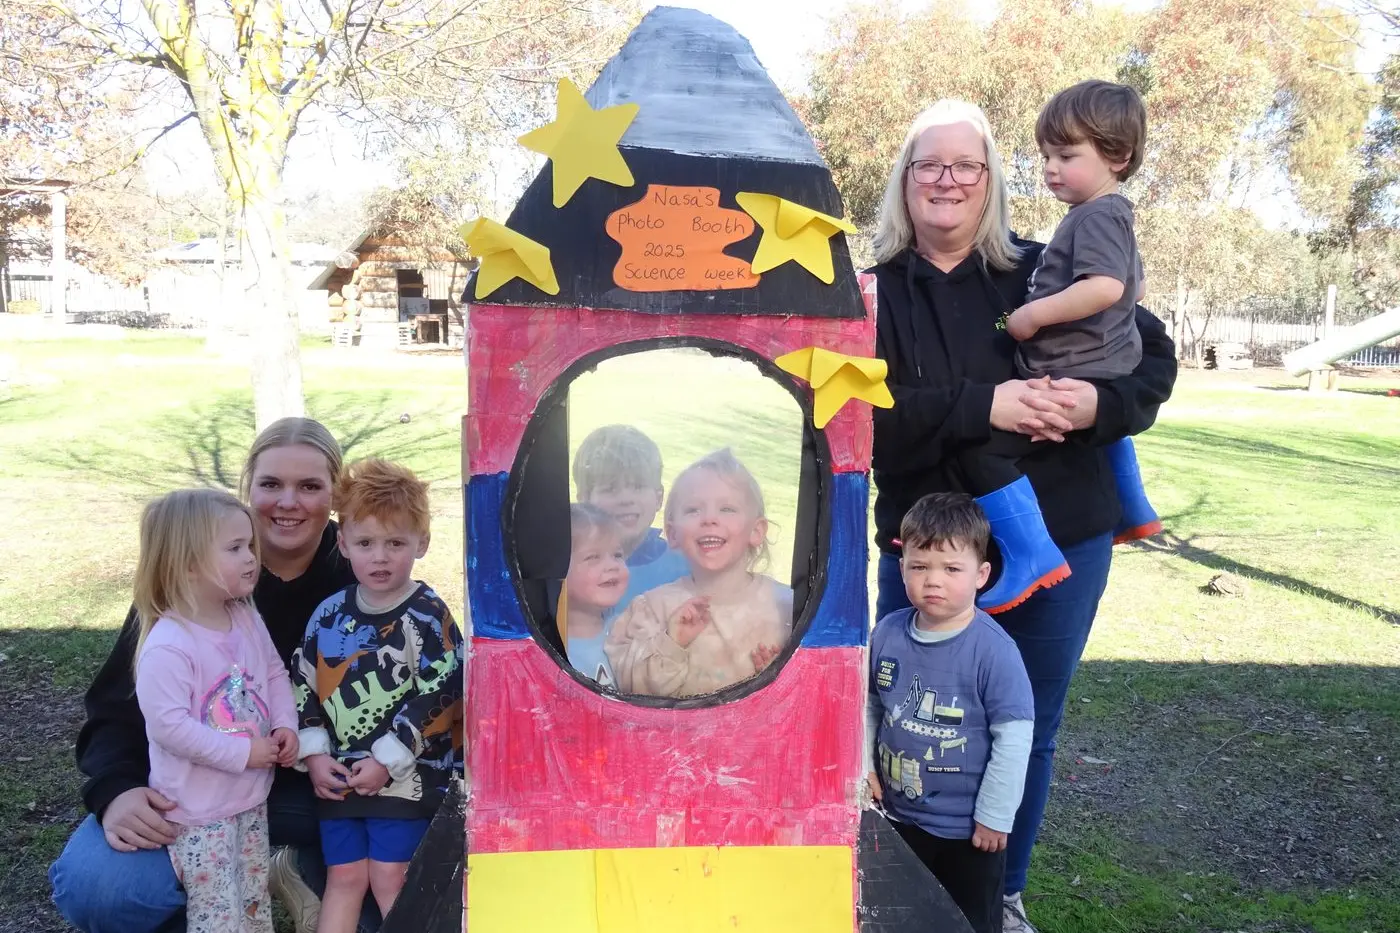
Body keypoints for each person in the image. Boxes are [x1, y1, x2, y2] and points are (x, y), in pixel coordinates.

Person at [868, 99, 1177, 933]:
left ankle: (1000, 893)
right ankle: (904, 886)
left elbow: (1153, 359)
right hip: (923, 553)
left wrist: (1097, 405)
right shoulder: (870, 294)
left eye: (966, 164)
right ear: (904, 179)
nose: (947, 179)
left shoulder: (1048, 272)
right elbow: (862, 418)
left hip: (1061, 538)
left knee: (1023, 727)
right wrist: (987, 404)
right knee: (904, 722)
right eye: (928, 163)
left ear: (991, 179)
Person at [49, 418, 369, 933]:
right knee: (101, 890)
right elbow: (117, 707)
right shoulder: (188, 580)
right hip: (196, 790)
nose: (288, 502)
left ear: (334, 493)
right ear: (248, 487)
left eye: (310, 486)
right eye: (271, 484)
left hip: (318, 789)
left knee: (405, 873)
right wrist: (116, 790)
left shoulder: (365, 568)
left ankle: (295, 869)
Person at [946, 80, 1162, 612]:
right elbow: (1135, 287)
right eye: (1046, 156)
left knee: (984, 449)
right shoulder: (1112, 214)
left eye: (1067, 156)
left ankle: (1030, 553)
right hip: (1100, 366)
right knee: (1103, 433)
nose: (1050, 168)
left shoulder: (1096, 215)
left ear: (1118, 156)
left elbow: (1107, 288)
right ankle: (1133, 507)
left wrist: (1031, 315)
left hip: (1075, 368)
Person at [292, 458, 463, 933]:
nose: (380, 557)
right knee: (344, 877)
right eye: (366, 543)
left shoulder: (427, 616)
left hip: (408, 778)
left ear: (421, 543)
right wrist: (314, 754)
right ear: (343, 543)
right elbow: (303, 682)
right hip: (340, 777)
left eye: (395, 543)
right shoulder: (329, 615)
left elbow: (444, 692)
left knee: (392, 876)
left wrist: (389, 758)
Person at [132, 488, 300, 931]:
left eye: (249, 546)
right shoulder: (169, 645)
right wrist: (244, 753)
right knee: (217, 914)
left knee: (252, 900)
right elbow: (170, 728)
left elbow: (274, 672)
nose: (251, 558)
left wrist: (285, 724)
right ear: (189, 563)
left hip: (248, 798)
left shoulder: (245, 617)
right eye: (235, 548)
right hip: (199, 813)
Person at [866, 493, 1034, 933]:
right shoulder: (886, 634)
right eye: (919, 566)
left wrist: (994, 816)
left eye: (951, 569)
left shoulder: (995, 652)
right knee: (900, 917)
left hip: (968, 834)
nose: (933, 581)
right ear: (902, 567)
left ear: (981, 575)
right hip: (897, 819)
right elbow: (869, 705)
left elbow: (1014, 740)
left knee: (967, 923)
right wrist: (864, 766)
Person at [605, 448, 792, 697]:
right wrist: (671, 643)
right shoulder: (653, 608)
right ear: (673, 534)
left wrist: (780, 678)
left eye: (727, 509)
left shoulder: (785, 608)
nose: (709, 519)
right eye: (693, 510)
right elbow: (630, 690)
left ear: (756, 531)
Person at [572, 424, 689, 610]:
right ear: (584, 500)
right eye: (610, 489)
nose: (626, 499)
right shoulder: (569, 566)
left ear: (659, 498)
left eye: (638, 487)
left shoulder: (684, 568)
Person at [563, 503, 631, 685]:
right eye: (593, 557)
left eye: (617, 555)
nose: (612, 565)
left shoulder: (628, 628)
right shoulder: (549, 648)